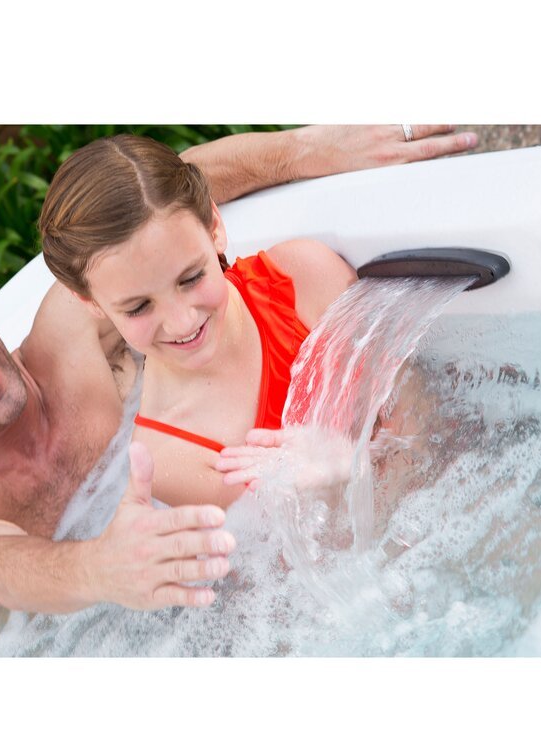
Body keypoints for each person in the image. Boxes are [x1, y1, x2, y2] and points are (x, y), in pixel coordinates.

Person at [0, 125, 477, 615]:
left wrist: (307, 150)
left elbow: (142, 203)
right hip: (94, 622)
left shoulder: (72, 329)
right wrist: (99, 570)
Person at [39, 134, 360, 508]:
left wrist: (356, 457)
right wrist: (350, 467)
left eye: (190, 279)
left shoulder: (303, 279)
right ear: (91, 303)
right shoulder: (169, 455)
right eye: (139, 307)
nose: (182, 323)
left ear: (214, 227)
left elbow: (410, 409)